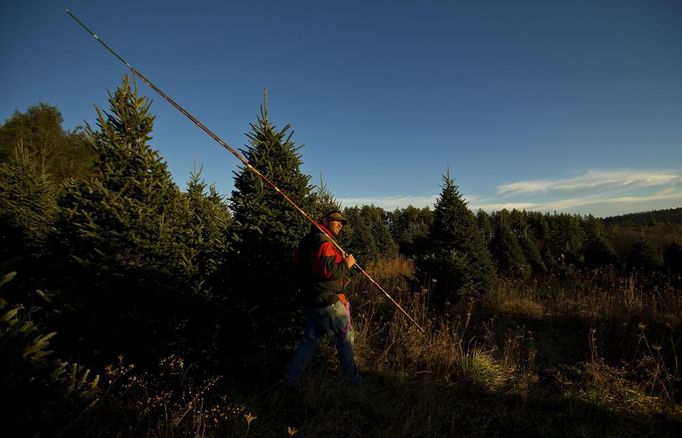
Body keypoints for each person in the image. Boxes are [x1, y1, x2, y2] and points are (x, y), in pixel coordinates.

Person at [285, 210, 362, 385]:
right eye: (337, 221)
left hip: (310, 300)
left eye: (342, 222)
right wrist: (346, 264)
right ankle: (353, 379)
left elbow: (296, 263)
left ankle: (291, 379)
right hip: (327, 302)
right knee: (346, 336)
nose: (341, 224)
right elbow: (329, 271)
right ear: (325, 221)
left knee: (310, 340)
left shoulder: (307, 241)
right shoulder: (324, 241)